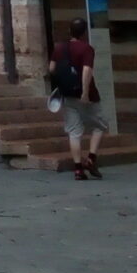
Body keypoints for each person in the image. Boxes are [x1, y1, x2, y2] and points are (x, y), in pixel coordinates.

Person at [49, 17, 105, 179]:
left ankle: (78, 169)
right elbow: (87, 70)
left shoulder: (59, 48)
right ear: (84, 32)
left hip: (67, 94)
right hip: (87, 94)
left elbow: (51, 69)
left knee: (74, 131)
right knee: (100, 125)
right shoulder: (86, 48)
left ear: (70, 31)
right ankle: (91, 158)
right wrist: (85, 92)